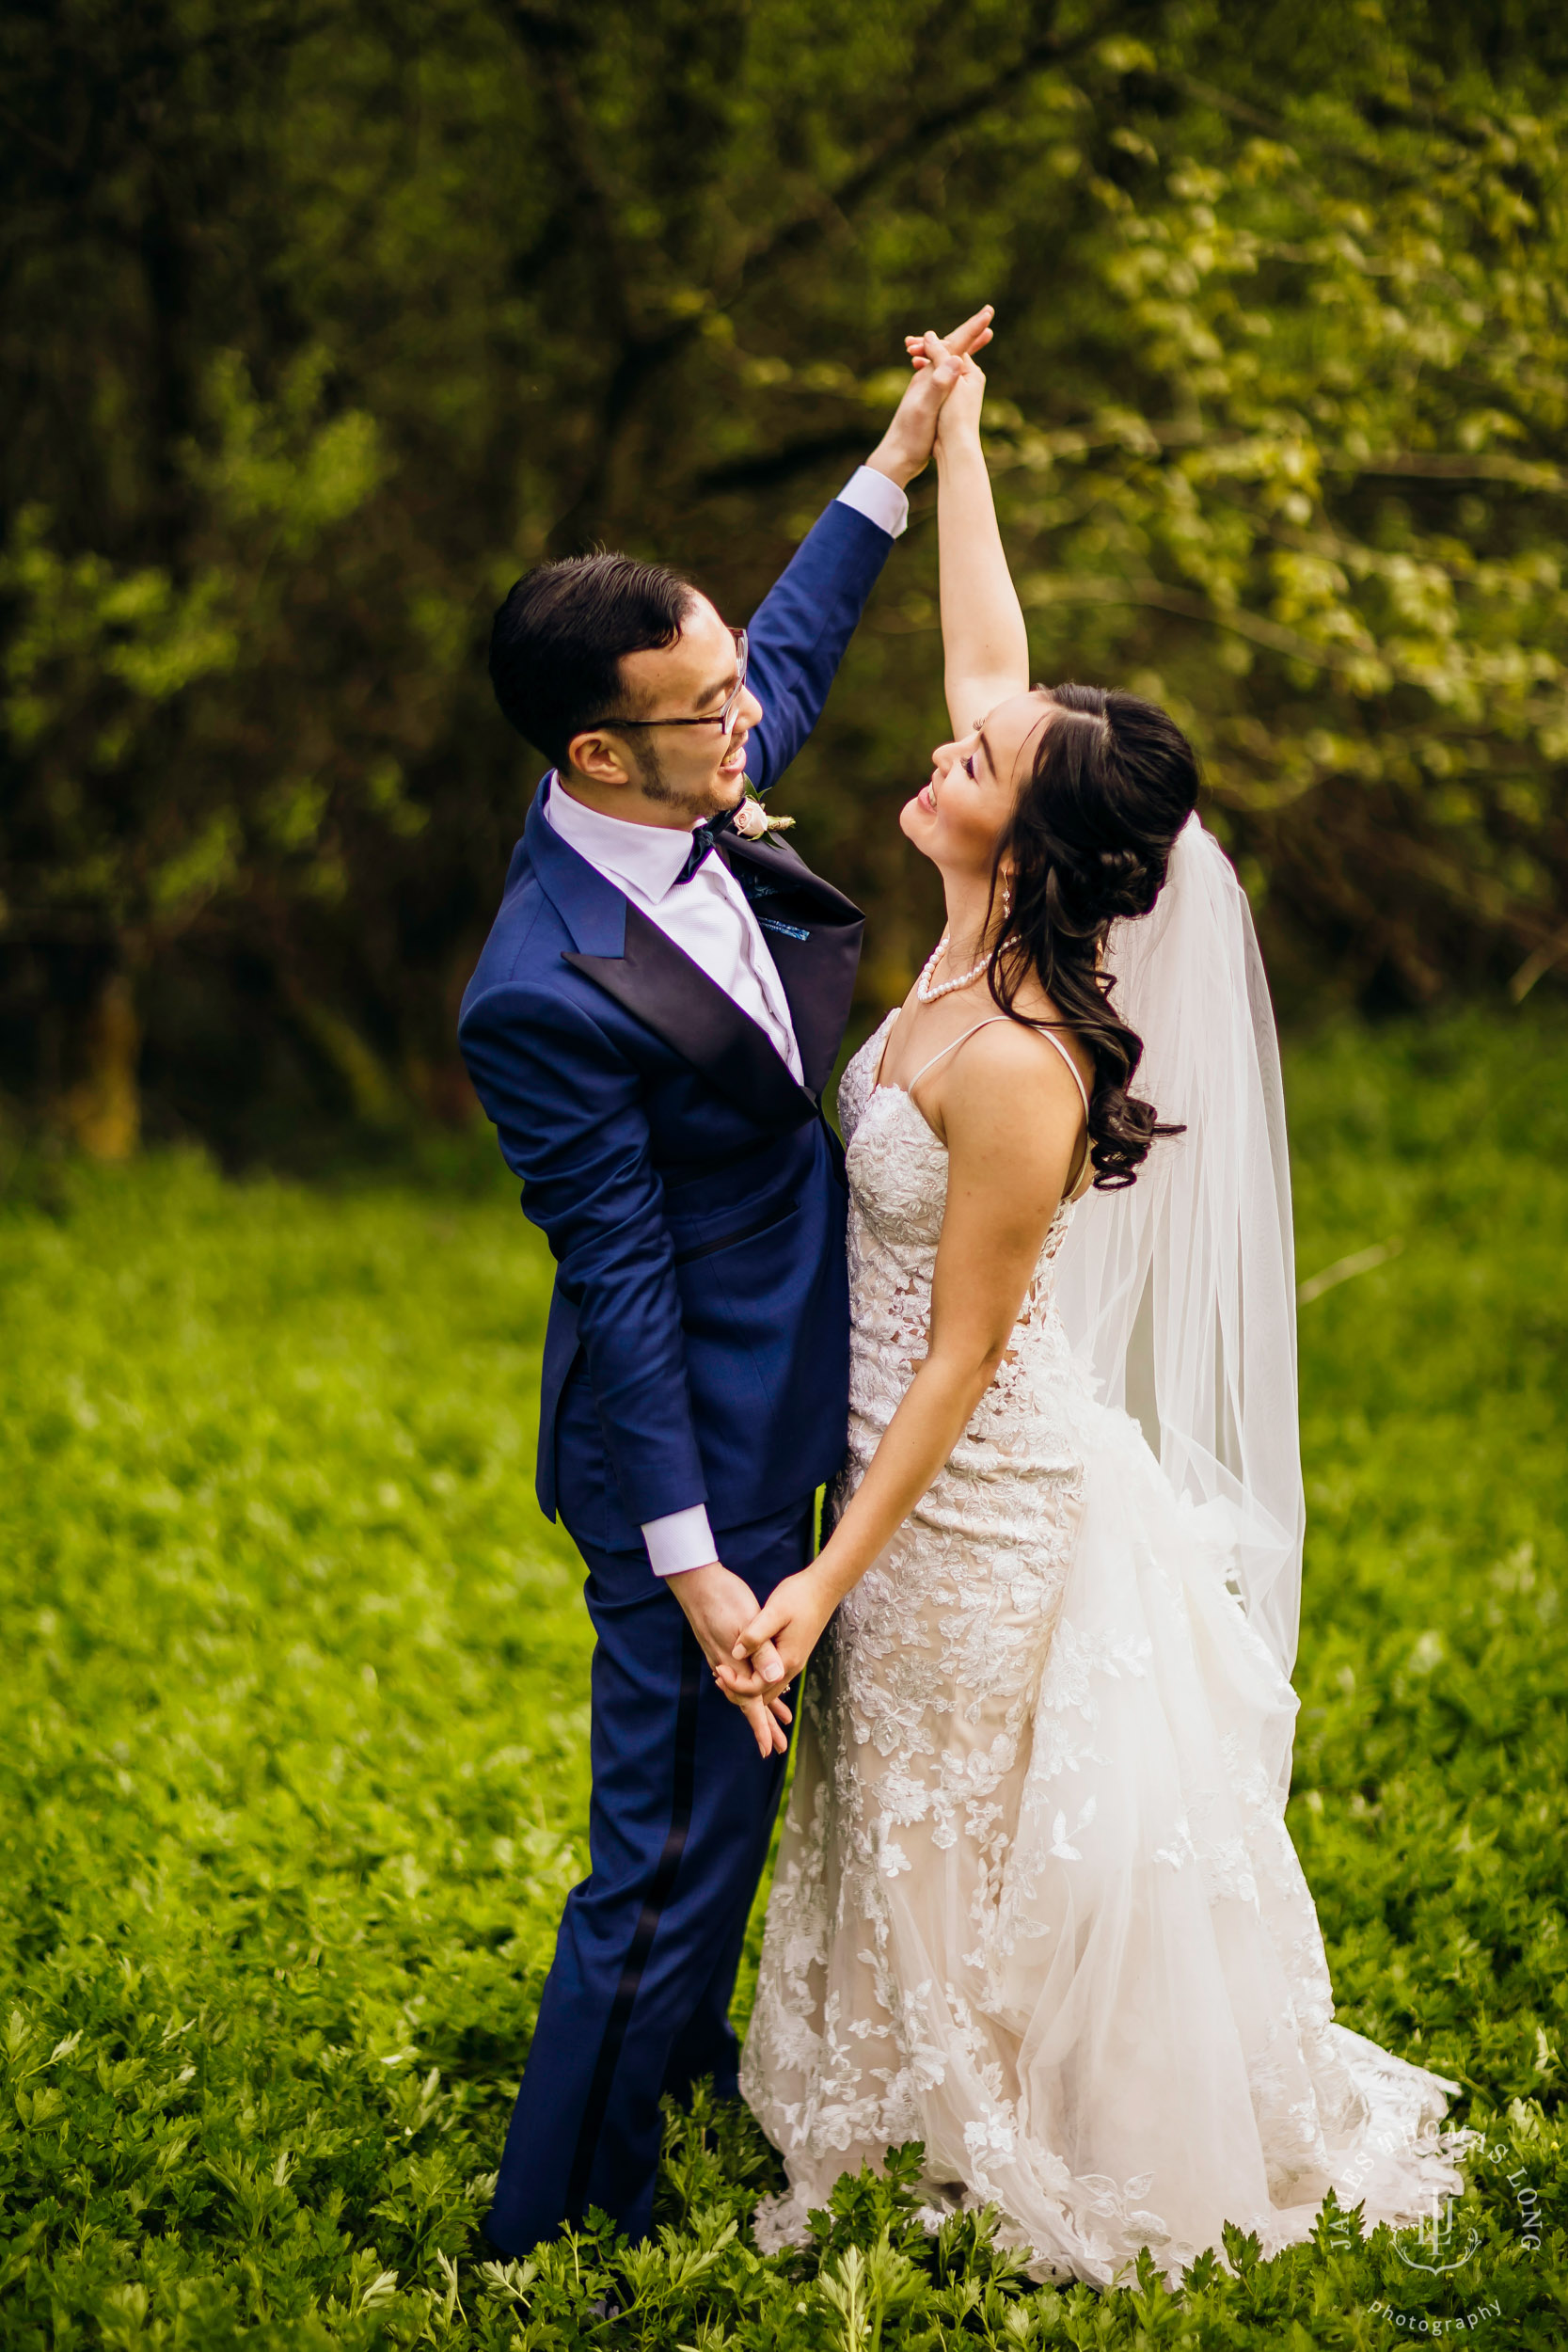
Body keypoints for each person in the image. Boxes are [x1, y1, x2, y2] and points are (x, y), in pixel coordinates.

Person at [732, 335, 1472, 2284]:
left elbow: (967, 1357)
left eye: (975, 762)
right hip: (902, 1455)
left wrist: (824, 1576)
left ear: (1031, 841)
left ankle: (976, 2140)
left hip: (969, 1491)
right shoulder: (982, 907)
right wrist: (955, 442)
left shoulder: (1028, 1061)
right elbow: (997, 670)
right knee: (888, 1793)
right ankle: (882, 2106)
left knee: (946, 1813)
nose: (944, 744)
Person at [457, 310, 993, 2256]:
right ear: (601, 750)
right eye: (704, 713)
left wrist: (899, 456)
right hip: (694, 1449)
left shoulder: (690, 770)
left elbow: (778, 654)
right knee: (672, 1851)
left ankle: (670, 2094)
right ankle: (552, 2238)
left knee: (729, 1830)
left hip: (798, 1391)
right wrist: (700, 1563)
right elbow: (622, 1288)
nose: (747, 718)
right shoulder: (539, 989)